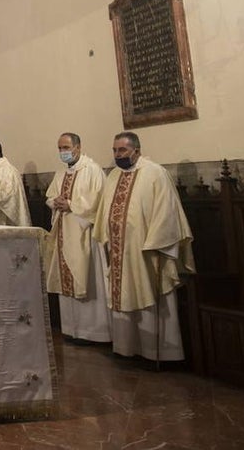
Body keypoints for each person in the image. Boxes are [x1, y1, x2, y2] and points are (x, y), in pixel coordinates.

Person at [94, 131, 195, 361]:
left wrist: (156, 243)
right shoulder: (113, 176)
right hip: (119, 251)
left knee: (148, 293)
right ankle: (126, 348)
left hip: (146, 251)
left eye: (122, 150)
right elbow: (104, 211)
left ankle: (157, 353)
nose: (117, 155)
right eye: (114, 150)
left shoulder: (155, 173)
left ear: (136, 150)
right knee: (123, 295)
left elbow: (167, 212)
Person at [44, 132, 110, 343]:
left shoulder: (92, 170)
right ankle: (72, 329)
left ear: (78, 147)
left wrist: (71, 204)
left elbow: (98, 201)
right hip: (64, 232)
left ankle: (94, 332)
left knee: (88, 277)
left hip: (85, 234)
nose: (62, 152)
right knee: (67, 278)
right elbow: (49, 196)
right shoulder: (61, 172)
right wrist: (56, 202)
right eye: (60, 148)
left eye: (66, 147)